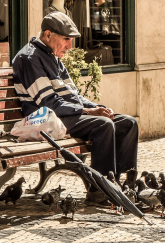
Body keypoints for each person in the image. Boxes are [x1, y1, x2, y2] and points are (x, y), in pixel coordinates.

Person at [12, 12, 138, 182]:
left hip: (65, 115)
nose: (70, 46)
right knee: (104, 125)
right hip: (46, 120)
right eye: (66, 39)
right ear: (48, 34)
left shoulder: (53, 56)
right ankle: (100, 189)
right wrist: (88, 111)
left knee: (128, 123)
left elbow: (74, 95)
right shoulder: (29, 58)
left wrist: (97, 107)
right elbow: (48, 103)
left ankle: (123, 185)